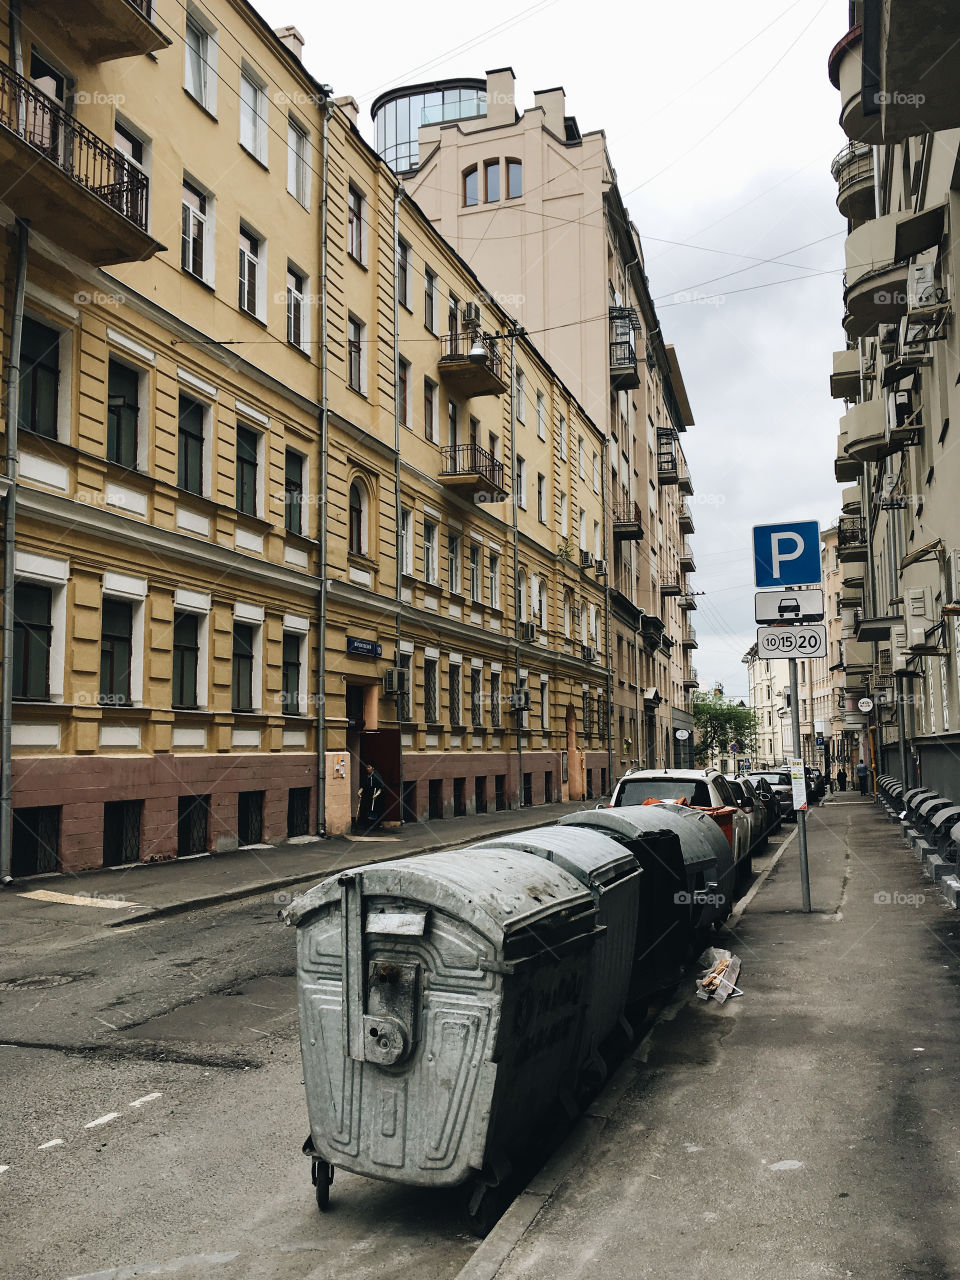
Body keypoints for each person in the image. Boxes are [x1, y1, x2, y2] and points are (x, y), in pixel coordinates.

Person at [356, 762, 385, 833]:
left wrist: (377, 794)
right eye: (367, 767)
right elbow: (364, 785)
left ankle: (375, 825)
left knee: (374, 809)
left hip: (375, 796)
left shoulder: (376, 775)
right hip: (368, 795)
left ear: (373, 768)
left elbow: (381, 786)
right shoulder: (367, 776)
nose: (367, 769)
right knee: (367, 808)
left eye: (369, 767)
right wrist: (360, 791)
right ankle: (366, 824)